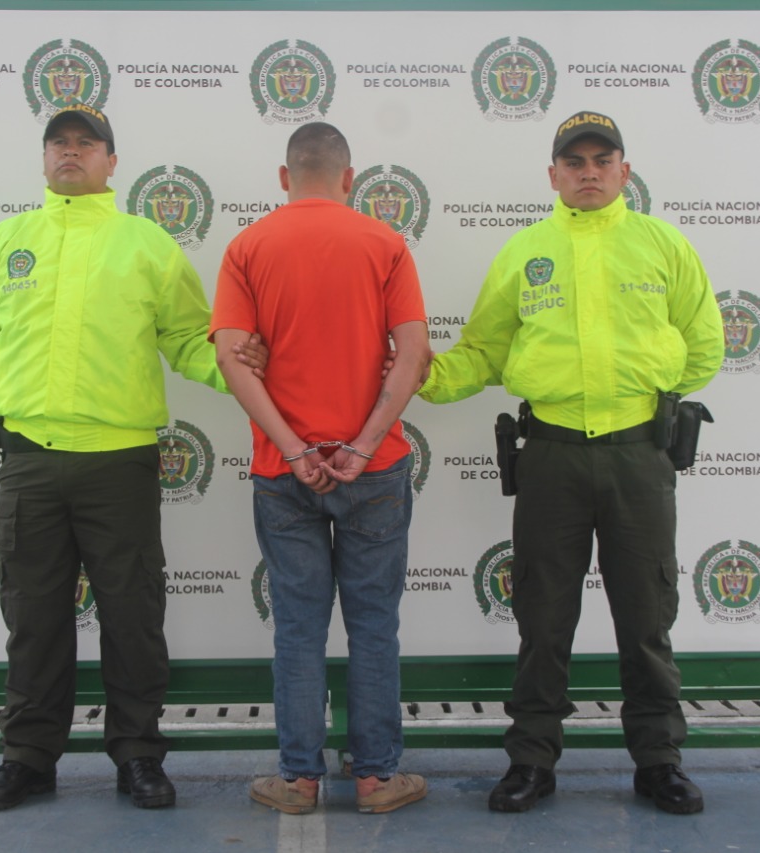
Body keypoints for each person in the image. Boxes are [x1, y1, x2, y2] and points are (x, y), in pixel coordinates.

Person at [0, 103, 267, 812]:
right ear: (43, 158)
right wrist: (21, 393)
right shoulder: (5, 242)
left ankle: (138, 754)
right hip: (29, 460)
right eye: (58, 143)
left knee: (132, 614)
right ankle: (28, 758)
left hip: (119, 462)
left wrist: (238, 366)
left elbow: (186, 339)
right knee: (33, 617)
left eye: (86, 144)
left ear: (111, 162)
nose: (71, 152)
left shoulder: (146, 245)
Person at [419, 110, 724, 815]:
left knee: (646, 618)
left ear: (624, 170)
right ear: (553, 174)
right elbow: (484, 351)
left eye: (602, 160)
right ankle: (531, 760)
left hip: (638, 456)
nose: (589, 172)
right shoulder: (526, 252)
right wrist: (423, 377)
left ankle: (659, 761)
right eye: (575, 162)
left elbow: (704, 344)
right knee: (543, 618)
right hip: (551, 457)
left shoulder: (663, 245)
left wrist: (645, 399)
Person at [210, 122, 431, 815]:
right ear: (349, 177)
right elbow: (415, 354)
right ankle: (376, 779)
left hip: (285, 472)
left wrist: (294, 447)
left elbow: (232, 361)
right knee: (374, 625)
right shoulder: (385, 243)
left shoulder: (247, 247)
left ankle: (299, 780)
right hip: (375, 469)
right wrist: (361, 446)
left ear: (285, 177)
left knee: (298, 628)